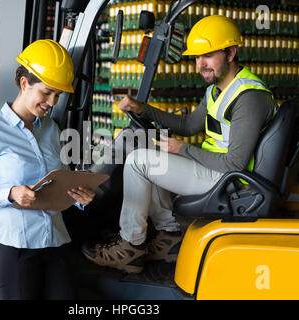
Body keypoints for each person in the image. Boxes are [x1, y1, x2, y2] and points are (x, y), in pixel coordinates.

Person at [82, 15, 278, 273]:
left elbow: (234, 163)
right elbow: (188, 126)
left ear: (231, 53)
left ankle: (131, 247)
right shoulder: (217, 90)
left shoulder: (249, 97)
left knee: (139, 162)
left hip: (232, 181)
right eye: (197, 57)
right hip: (218, 171)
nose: (200, 65)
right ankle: (169, 238)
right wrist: (144, 109)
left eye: (207, 55)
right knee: (148, 152)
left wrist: (181, 149)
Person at [0, 39, 95, 299]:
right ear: (25, 84)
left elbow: (60, 183)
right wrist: (12, 193)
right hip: (16, 247)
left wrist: (80, 197)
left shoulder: (51, 130)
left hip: (55, 241)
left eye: (57, 95)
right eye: (46, 92)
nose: (52, 101)